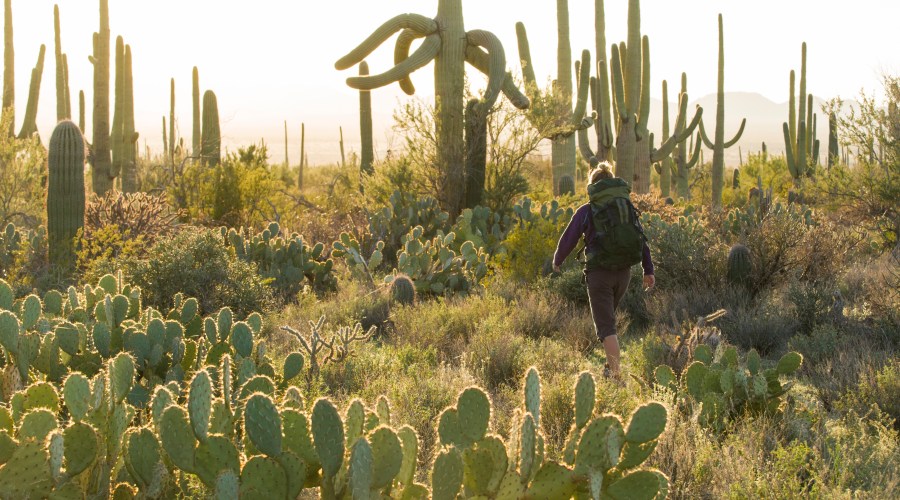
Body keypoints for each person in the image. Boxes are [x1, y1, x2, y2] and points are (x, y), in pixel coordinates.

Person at [552, 162, 655, 379]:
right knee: (607, 322)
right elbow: (640, 238)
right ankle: (610, 369)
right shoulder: (625, 208)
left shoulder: (587, 210)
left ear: (594, 186)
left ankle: (617, 378)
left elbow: (569, 237)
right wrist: (648, 269)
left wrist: (558, 259)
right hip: (624, 274)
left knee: (607, 328)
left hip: (599, 275)